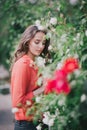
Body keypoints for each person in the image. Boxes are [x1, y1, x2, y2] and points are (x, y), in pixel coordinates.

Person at [10, 25, 50, 130]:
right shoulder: (23, 65)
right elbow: (17, 102)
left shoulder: (34, 64)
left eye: (43, 43)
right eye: (37, 42)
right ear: (28, 42)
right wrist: (41, 90)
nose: (41, 46)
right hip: (26, 124)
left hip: (38, 122)